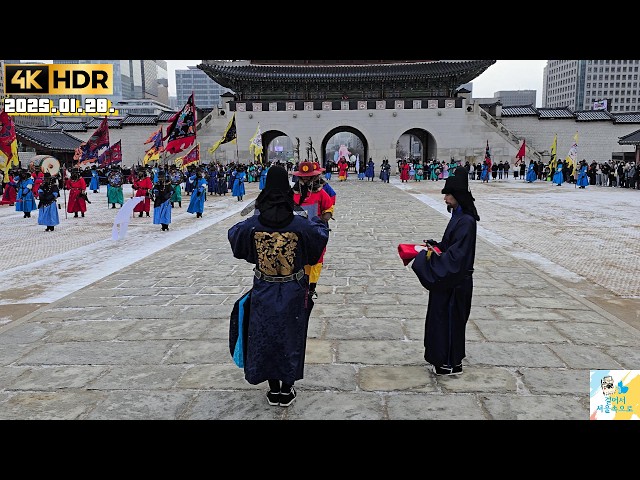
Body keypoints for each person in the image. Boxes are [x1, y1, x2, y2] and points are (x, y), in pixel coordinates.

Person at [227, 165, 330, 407]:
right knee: (289, 336)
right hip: (293, 288)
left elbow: (235, 234)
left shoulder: (253, 225)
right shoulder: (300, 224)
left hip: (264, 286)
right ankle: (287, 387)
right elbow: (318, 240)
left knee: (265, 334)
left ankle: (273, 389)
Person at [409, 166, 479, 376]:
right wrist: (435, 246)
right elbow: (450, 246)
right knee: (444, 321)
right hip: (452, 281)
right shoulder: (457, 217)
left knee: (449, 322)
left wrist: (425, 258)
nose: (445, 198)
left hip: (455, 283)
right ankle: (449, 360)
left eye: (448, 194)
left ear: (458, 196)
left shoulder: (466, 221)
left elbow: (456, 258)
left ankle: (448, 362)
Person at [292, 161, 335, 299]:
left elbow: (329, 206)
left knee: (316, 258)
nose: (305, 178)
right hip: (297, 231)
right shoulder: (293, 192)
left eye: (308, 176)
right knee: (300, 257)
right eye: (303, 176)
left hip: (315, 230)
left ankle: (312, 287)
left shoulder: (320, 192)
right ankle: (301, 283)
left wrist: (325, 216)